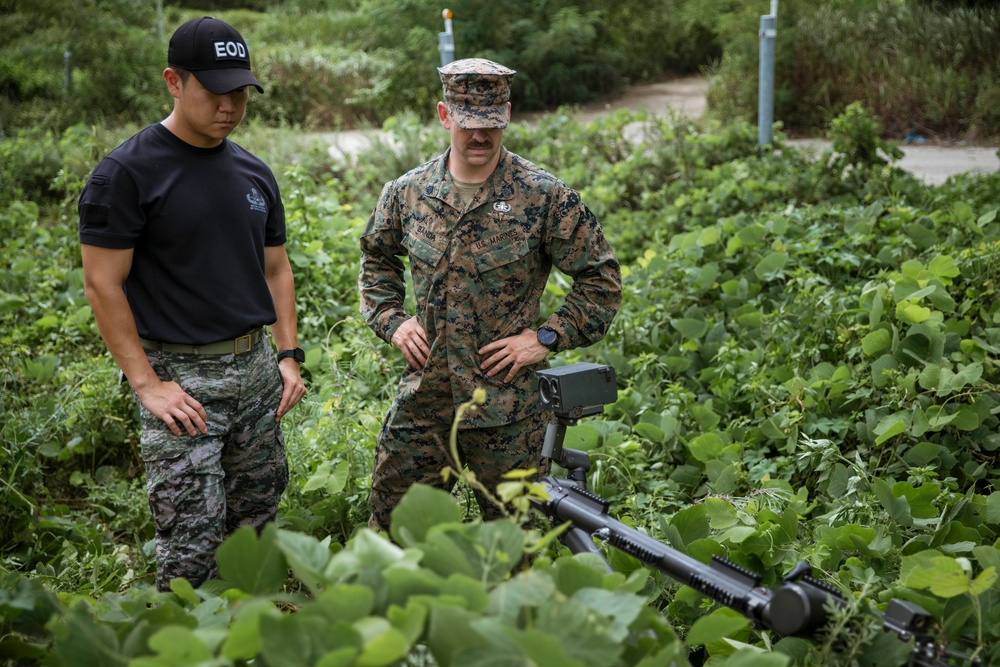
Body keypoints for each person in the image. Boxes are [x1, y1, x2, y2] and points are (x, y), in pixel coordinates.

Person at [78, 16, 306, 591]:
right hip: (181, 378)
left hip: (256, 373)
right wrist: (146, 383)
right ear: (174, 82)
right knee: (191, 545)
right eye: (213, 90)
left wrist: (288, 354)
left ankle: (250, 637)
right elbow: (103, 284)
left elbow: (276, 269)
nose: (229, 106)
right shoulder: (126, 174)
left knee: (256, 525)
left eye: (239, 92)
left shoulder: (254, 172)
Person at [359, 58, 622, 532]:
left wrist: (545, 337)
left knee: (513, 554)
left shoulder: (543, 197)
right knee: (392, 537)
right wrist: (393, 321)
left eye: (491, 125)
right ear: (445, 116)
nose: (480, 137)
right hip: (426, 404)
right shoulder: (407, 193)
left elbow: (601, 280)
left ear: (507, 116)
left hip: (509, 414)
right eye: (468, 125)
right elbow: (376, 260)